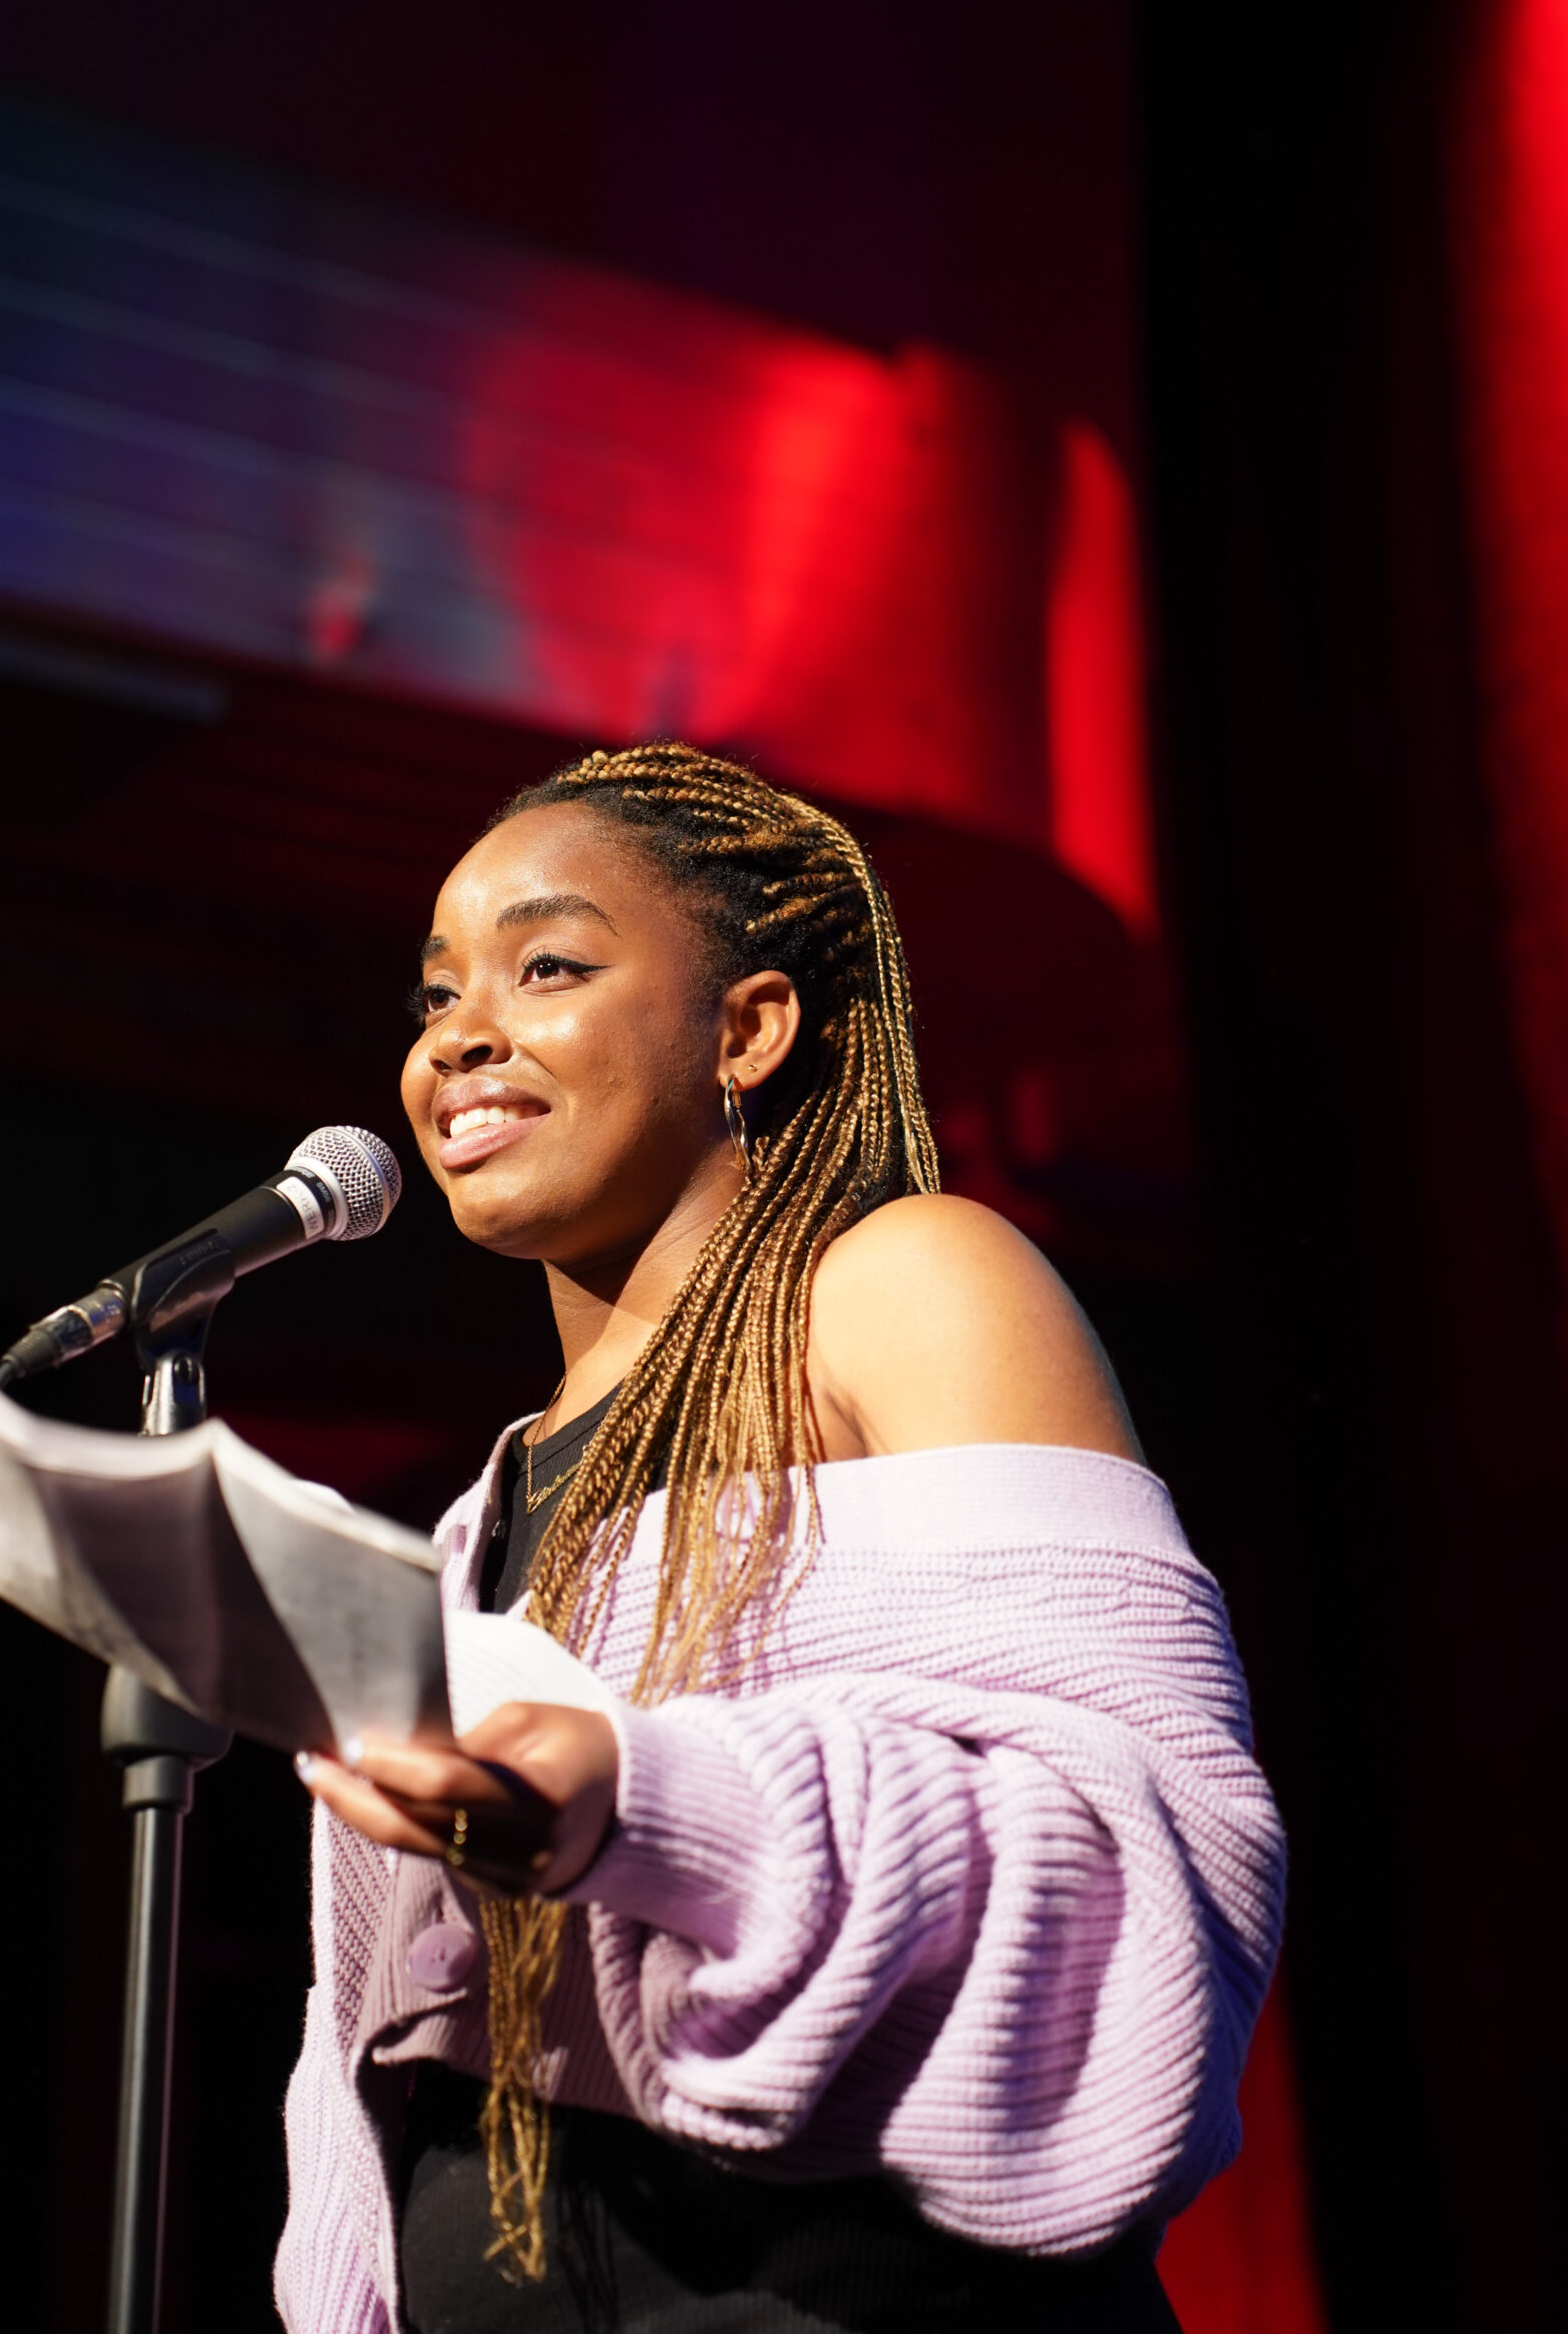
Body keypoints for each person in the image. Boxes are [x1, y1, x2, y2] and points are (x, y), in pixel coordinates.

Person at [276, 743, 1285, 2334]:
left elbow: (1136, 1872)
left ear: (746, 1027)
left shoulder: (903, 1283)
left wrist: (645, 1799)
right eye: (434, 994)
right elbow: (377, 2053)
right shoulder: (490, 1510)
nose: (459, 1035)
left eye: (547, 967)